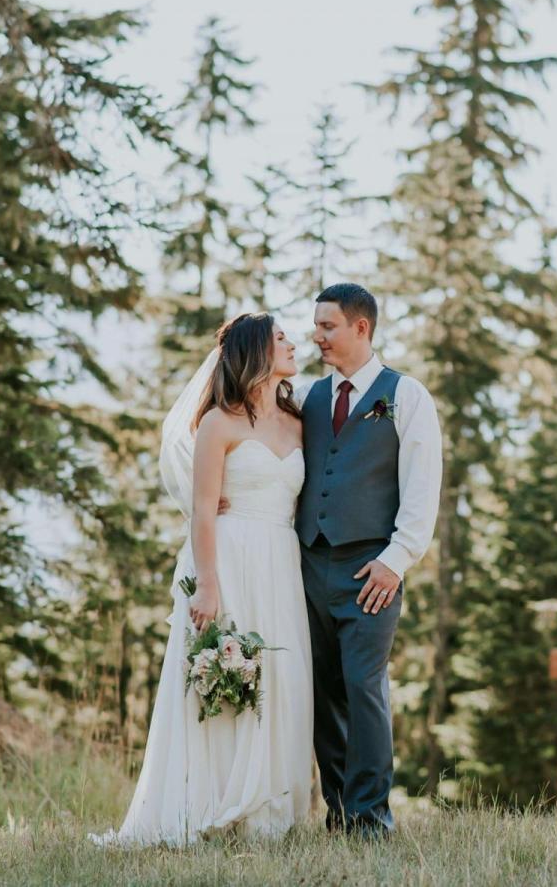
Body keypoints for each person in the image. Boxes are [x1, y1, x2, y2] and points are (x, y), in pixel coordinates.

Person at [97, 313, 314, 846]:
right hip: (229, 556)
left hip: (282, 563)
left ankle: (270, 817)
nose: (291, 344)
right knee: (225, 676)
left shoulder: (298, 419)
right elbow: (201, 512)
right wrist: (209, 587)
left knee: (281, 681)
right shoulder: (220, 422)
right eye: (280, 338)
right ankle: (209, 807)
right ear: (255, 352)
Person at [292, 284, 443, 836]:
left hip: (371, 570)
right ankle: (339, 813)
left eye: (328, 326)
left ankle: (371, 818)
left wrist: (395, 559)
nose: (317, 336)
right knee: (321, 692)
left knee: (364, 687)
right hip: (308, 566)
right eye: (316, 326)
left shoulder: (406, 396)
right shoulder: (307, 397)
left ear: (361, 328)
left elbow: (423, 490)